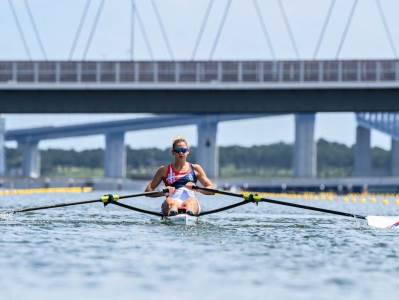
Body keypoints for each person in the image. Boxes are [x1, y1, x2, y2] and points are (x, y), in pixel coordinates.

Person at [145, 137, 214, 216]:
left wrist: (197, 188)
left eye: (184, 150)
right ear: (173, 152)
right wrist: (163, 192)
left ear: (188, 151)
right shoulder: (163, 170)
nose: (181, 153)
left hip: (190, 200)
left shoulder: (196, 169)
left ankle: (187, 213)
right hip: (171, 200)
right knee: (170, 202)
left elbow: (211, 189)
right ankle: (174, 212)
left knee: (190, 202)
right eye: (178, 150)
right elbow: (148, 191)